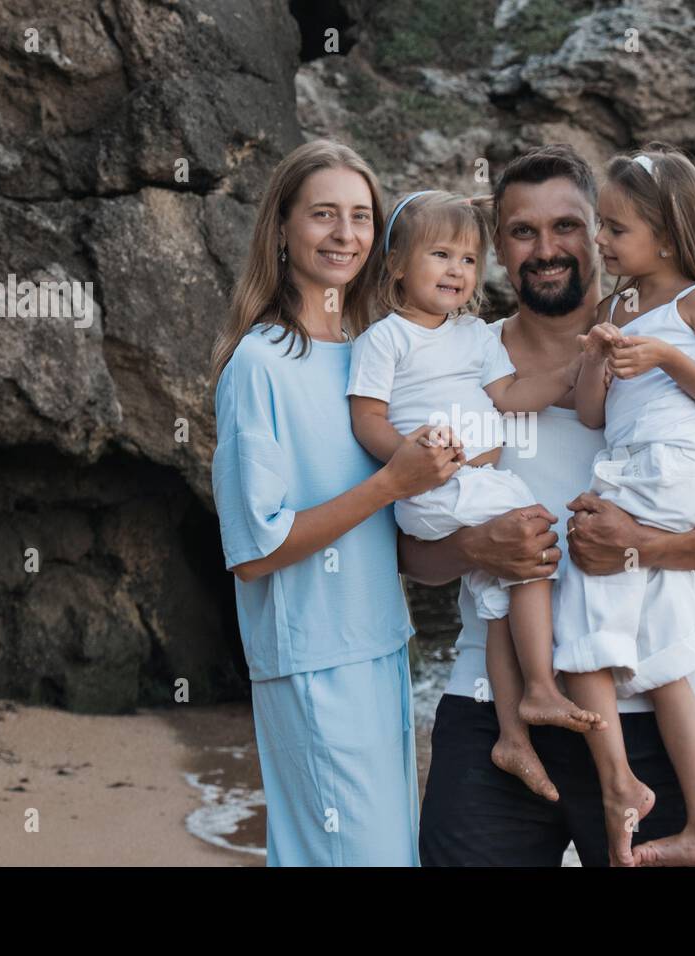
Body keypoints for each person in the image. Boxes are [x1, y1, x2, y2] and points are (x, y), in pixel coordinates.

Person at [402, 144, 695, 867]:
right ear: (496, 246)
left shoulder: (664, 342)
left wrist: (637, 546)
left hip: (648, 702)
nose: (548, 250)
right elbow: (413, 556)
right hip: (493, 709)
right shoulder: (458, 358)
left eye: (568, 225)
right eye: (522, 231)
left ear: (602, 229)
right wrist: (480, 549)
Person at [209, 140, 458, 866]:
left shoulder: (374, 353)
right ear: (281, 230)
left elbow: (395, 530)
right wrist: (390, 483)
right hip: (311, 658)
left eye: (360, 217)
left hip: (381, 646)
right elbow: (253, 551)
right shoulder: (258, 365)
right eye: (323, 215)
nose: (345, 235)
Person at [347, 190, 603, 806]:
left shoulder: (475, 336)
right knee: (537, 539)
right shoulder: (386, 339)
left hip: (485, 486)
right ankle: (540, 685)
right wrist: (406, 462)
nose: (458, 271)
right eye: (440, 255)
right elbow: (367, 419)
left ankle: (512, 733)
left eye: (469, 259)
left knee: (500, 592)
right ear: (397, 266)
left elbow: (511, 395)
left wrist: (576, 377)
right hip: (440, 486)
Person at [556, 144, 695, 866]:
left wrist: (669, 358)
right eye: (601, 226)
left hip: (680, 468)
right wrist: (597, 360)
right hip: (640, 463)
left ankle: (617, 779)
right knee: (667, 640)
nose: (599, 242)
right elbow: (589, 416)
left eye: (615, 229)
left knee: (580, 564)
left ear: (666, 235)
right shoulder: (615, 307)